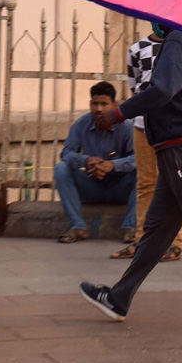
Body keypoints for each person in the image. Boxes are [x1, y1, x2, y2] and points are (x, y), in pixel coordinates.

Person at [79, 26, 182, 325]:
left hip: (181, 145)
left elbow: (164, 89)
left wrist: (118, 114)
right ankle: (120, 297)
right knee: (156, 231)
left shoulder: (181, 38)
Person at [112, 23, 182, 261]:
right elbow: (137, 87)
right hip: (144, 126)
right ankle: (141, 240)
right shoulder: (138, 49)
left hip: (175, 127)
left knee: (178, 184)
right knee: (146, 184)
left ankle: (175, 243)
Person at [52, 82, 137, 244]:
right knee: (61, 168)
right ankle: (77, 226)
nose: (99, 109)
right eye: (95, 104)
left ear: (114, 105)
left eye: (104, 104)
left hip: (120, 188)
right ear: (90, 104)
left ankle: (130, 227)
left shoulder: (127, 127)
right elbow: (66, 153)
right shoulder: (81, 124)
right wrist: (87, 160)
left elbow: (137, 158)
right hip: (91, 186)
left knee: (145, 173)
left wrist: (113, 165)